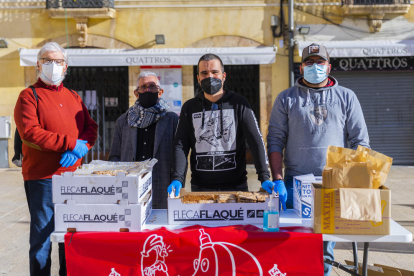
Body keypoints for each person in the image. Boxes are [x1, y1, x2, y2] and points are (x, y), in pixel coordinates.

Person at [267, 43, 370, 275]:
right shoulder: (286, 99)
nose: (315, 66)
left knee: (324, 253)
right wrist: (278, 179)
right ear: (301, 68)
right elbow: (275, 140)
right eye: (309, 62)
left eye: (320, 62)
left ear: (329, 66)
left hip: (332, 187)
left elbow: (360, 141)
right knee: (292, 246)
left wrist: (353, 179)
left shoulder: (347, 97)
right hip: (294, 184)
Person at [14, 42, 98, 276]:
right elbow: (31, 132)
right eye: (48, 61)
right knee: (42, 238)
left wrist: (84, 146)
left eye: (58, 61)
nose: (54, 66)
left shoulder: (73, 96)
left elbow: (91, 127)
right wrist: (71, 143)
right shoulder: (28, 96)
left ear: (66, 66)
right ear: (39, 65)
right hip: (43, 178)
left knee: (69, 235)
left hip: (73, 176)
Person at [169, 53, 273, 196]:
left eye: (214, 72)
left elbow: (255, 141)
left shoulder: (239, 103)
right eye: (204, 73)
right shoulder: (189, 107)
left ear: (223, 76)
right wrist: (177, 178)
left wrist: (264, 176)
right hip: (200, 188)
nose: (210, 77)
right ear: (198, 78)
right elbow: (180, 144)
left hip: (236, 187)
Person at [109, 71, 179, 209]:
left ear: (160, 92)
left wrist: (177, 178)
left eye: (152, 86)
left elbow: (179, 154)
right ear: (136, 93)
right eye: (143, 87)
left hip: (162, 186)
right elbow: (115, 156)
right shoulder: (123, 121)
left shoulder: (172, 120)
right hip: (131, 187)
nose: (148, 90)